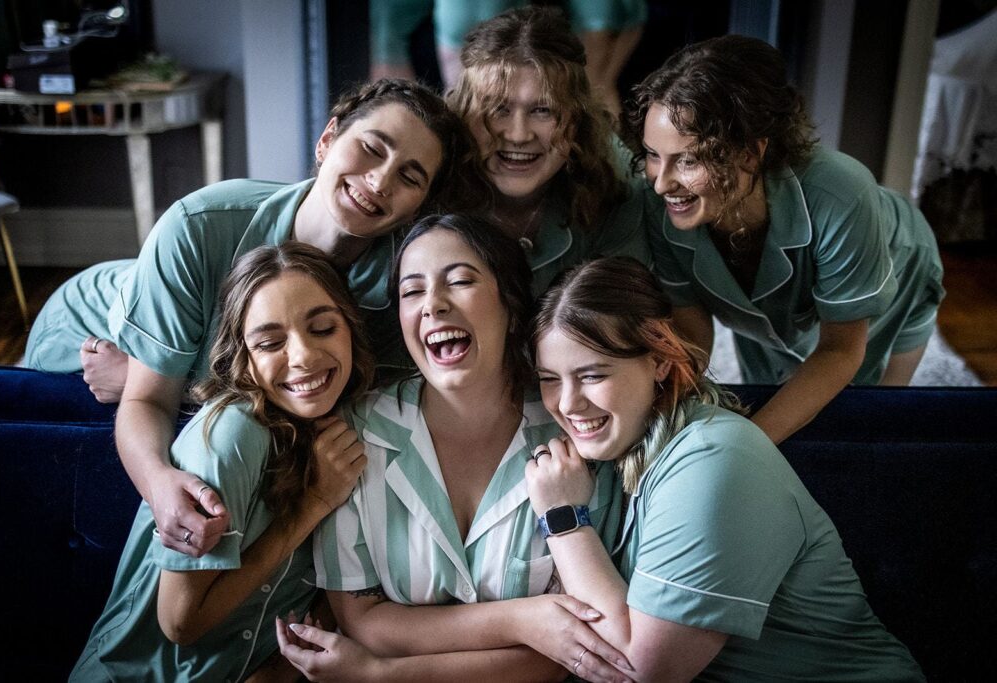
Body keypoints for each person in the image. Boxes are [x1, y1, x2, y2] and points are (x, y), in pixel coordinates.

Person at [24, 79, 481, 558]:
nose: (381, 181)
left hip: (177, 366)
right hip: (81, 328)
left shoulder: (403, 290)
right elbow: (146, 400)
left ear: (420, 205)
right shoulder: (197, 224)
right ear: (327, 140)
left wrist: (186, 385)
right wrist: (159, 480)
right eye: (371, 148)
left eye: (410, 177)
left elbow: (326, 410)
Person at [525, 256, 926, 681]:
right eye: (550, 378)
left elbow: (642, 674)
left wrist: (564, 520)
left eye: (591, 375)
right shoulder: (617, 453)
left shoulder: (713, 461)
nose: (567, 403)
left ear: (660, 360)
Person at [277, 215, 627, 682]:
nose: (432, 306)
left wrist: (379, 675)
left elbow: (570, 651)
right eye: (411, 291)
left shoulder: (577, 430)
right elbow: (362, 619)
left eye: (460, 281)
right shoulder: (355, 432)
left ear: (510, 302)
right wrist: (524, 619)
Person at [69, 242, 373, 681]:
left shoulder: (347, 428)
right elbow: (180, 623)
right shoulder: (231, 437)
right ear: (244, 358)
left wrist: (280, 668)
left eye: (323, 329)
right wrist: (314, 505)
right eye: (270, 342)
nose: (304, 357)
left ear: (351, 329)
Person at [628, 35, 945, 444]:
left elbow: (840, 351)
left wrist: (747, 444)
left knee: (863, 419)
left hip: (899, 274)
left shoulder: (843, 194)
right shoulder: (659, 203)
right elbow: (691, 321)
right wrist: (666, 414)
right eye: (654, 155)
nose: (661, 183)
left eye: (688, 159)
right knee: (769, 395)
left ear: (749, 153)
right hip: (768, 313)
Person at [447, 5, 655, 297]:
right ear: (463, 113)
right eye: (497, 109)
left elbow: (626, 315)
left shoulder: (620, 183)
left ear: (577, 121)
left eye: (543, 110)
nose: (519, 135)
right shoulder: (427, 178)